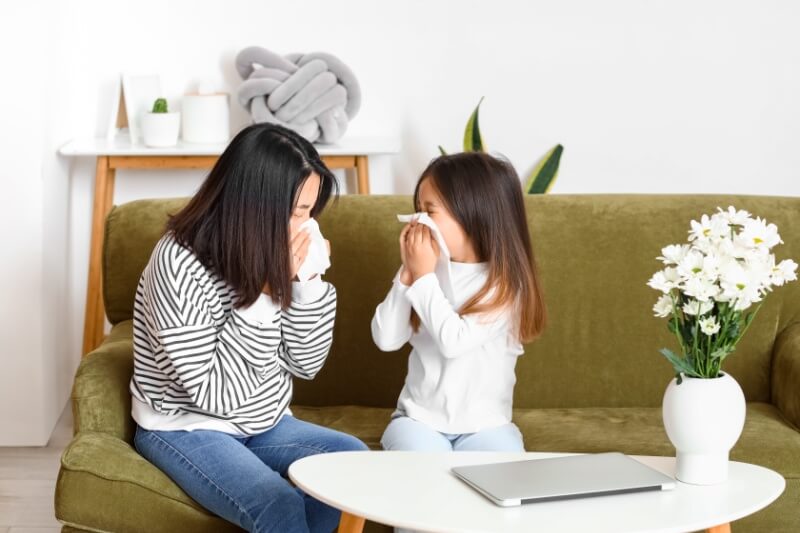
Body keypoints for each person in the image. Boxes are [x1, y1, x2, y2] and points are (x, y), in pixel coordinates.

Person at [131, 123, 367, 533]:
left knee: (351, 465)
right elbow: (216, 396)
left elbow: (306, 362)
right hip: (187, 425)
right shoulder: (177, 264)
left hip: (264, 421)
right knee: (277, 505)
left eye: (309, 211)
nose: (305, 226)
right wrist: (266, 296)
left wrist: (307, 285)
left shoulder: (273, 249)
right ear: (253, 205)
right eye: (296, 212)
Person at [372, 151, 547, 452]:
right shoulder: (426, 270)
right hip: (418, 421)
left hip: (486, 425)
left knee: (500, 469)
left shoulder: (504, 285)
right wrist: (407, 274)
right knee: (425, 468)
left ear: (472, 213)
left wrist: (423, 277)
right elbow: (386, 339)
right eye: (417, 209)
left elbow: (454, 342)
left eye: (430, 210)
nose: (418, 219)